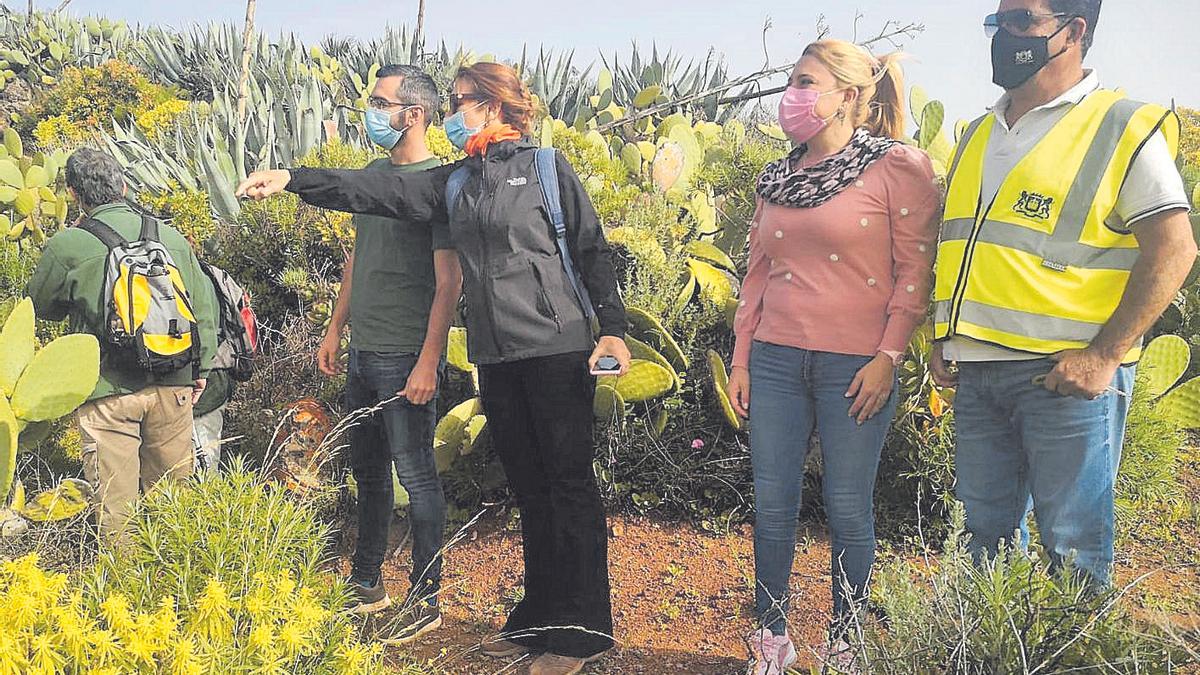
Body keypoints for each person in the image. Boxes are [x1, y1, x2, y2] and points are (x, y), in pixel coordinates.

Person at [237, 62, 629, 675]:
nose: (454, 111)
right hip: (498, 357)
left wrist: (614, 330)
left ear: (495, 107)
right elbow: (375, 192)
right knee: (530, 486)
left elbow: (590, 248)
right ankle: (541, 616)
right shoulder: (456, 182)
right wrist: (292, 178)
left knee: (567, 487)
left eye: (463, 101)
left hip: (557, 348)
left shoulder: (547, 170)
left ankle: (581, 633)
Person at [930, 0, 1194, 591]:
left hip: (1065, 379)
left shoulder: (1122, 125)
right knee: (981, 547)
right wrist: (945, 334)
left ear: (1073, 32)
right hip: (977, 373)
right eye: (999, 22)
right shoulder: (978, 132)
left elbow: (1174, 250)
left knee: (1072, 551)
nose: (1004, 35)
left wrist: (1104, 356)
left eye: (1023, 20)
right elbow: (967, 246)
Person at [727, 39, 940, 673]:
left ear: (848, 96)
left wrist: (890, 355)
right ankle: (772, 639)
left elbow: (915, 272)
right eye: (792, 81)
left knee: (848, 507)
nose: (792, 94)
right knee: (772, 503)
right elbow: (757, 274)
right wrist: (741, 358)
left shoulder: (898, 168)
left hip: (857, 365)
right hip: (774, 362)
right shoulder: (777, 176)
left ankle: (844, 642)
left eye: (805, 82)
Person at [318, 64, 463, 644]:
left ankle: (425, 597)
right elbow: (358, 257)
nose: (371, 113)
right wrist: (335, 329)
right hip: (362, 351)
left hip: (406, 355)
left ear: (415, 114)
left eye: (381, 103)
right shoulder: (376, 177)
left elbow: (449, 282)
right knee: (368, 472)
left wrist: (429, 361)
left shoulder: (439, 184)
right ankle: (367, 581)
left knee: (418, 478)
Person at [26, 148, 218, 540]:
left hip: (106, 391)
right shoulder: (169, 236)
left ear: (74, 194)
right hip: (173, 382)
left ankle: (127, 591)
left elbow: (40, 307)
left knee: (117, 509)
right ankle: (179, 583)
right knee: (172, 501)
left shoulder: (69, 246)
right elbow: (204, 308)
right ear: (125, 186)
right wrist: (200, 370)